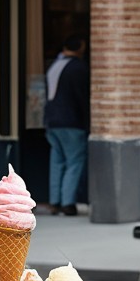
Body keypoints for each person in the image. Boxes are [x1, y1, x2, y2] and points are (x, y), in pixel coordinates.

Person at [43, 35, 90, 216]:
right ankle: (68, 203)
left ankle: (55, 201)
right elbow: (82, 98)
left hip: (52, 122)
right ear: (80, 48)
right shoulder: (77, 68)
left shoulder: (54, 66)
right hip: (71, 122)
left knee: (57, 161)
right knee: (74, 162)